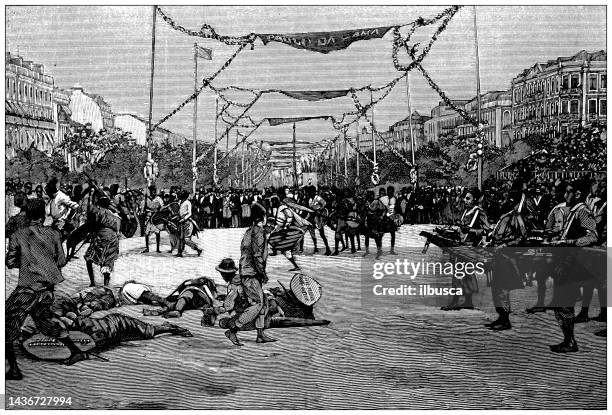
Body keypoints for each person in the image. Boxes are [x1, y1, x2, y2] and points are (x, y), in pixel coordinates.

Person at [6, 199, 88, 380]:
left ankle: (13, 370)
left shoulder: (18, 235)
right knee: (45, 323)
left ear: (26, 216)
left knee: (5, 324)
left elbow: (10, 262)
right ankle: (76, 351)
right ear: (44, 216)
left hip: (27, 289)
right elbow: (61, 261)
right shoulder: (55, 234)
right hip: (47, 290)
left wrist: (28, 261)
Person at [547, 178, 599, 353]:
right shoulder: (573, 210)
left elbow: (593, 236)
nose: (565, 195)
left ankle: (570, 342)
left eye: (569, 191)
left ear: (577, 194)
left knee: (564, 303)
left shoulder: (582, 211)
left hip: (575, 262)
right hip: (567, 260)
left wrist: (568, 241)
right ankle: (568, 339)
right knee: (561, 304)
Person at [224, 204, 277, 346]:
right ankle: (233, 330)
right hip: (252, 274)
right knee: (258, 304)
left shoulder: (249, 231)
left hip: (248, 272)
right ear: (263, 218)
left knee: (264, 303)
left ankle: (260, 335)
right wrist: (263, 273)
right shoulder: (259, 232)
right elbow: (257, 255)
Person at [442, 187, 491, 311]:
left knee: (461, 273)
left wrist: (471, 230)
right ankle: (468, 302)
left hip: (470, 247)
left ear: (474, 199)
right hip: (461, 245)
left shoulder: (479, 212)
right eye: (464, 198)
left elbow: (487, 230)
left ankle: (456, 301)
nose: (465, 200)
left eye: (468, 198)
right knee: (465, 274)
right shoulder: (466, 211)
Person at [84, 192, 121, 287]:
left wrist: (90, 234)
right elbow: (117, 229)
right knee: (107, 262)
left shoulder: (99, 213)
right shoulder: (114, 215)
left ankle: (92, 282)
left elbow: (94, 226)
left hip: (102, 238)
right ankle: (106, 284)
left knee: (88, 258)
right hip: (113, 240)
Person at [176, 190, 202, 257]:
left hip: (187, 222)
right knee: (180, 238)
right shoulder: (180, 202)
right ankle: (180, 252)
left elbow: (190, 213)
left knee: (186, 239)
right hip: (181, 222)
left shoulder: (188, 203)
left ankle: (197, 248)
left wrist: (184, 219)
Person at [141, 185, 164, 253]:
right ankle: (147, 248)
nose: (152, 193)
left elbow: (162, 208)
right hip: (149, 218)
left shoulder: (158, 199)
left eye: (153, 191)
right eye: (151, 191)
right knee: (147, 233)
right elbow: (143, 209)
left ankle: (157, 248)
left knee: (157, 233)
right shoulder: (146, 200)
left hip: (156, 218)